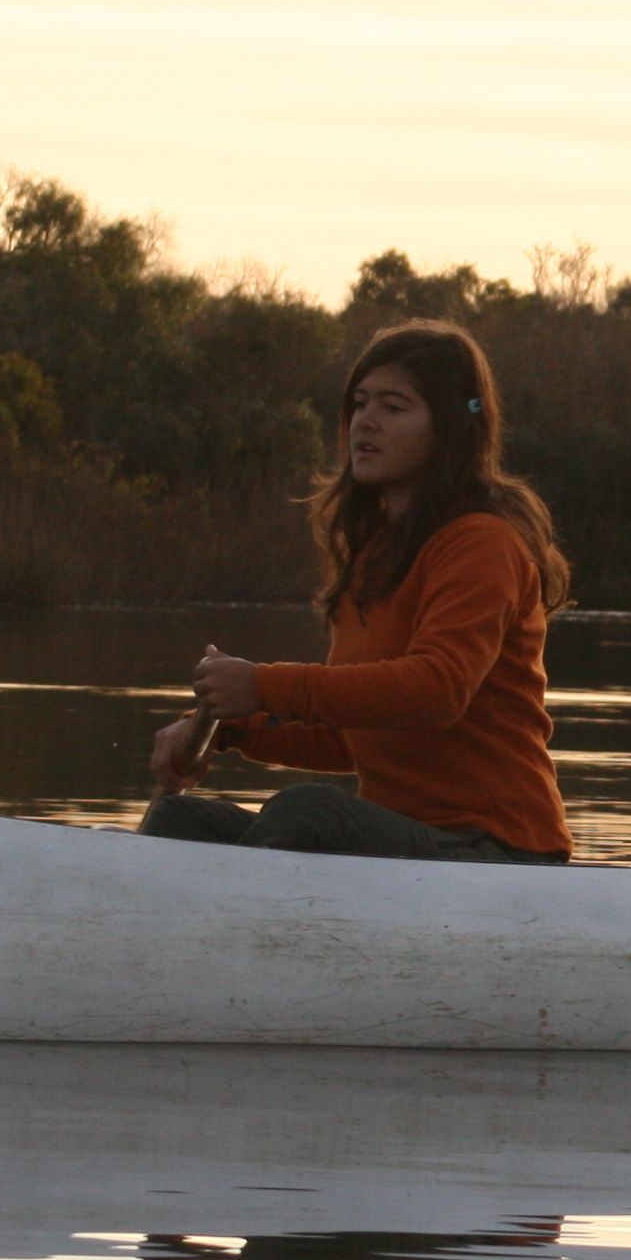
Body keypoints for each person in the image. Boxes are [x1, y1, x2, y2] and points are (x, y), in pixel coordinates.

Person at [140, 320, 573, 864]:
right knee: (179, 818)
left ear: (451, 429)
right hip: (406, 846)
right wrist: (230, 728)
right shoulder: (373, 556)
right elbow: (356, 737)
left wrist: (262, 685)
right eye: (360, 403)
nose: (365, 422)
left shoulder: (482, 543)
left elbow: (435, 693)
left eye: (394, 407)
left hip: (497, 851)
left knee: (309, 814)